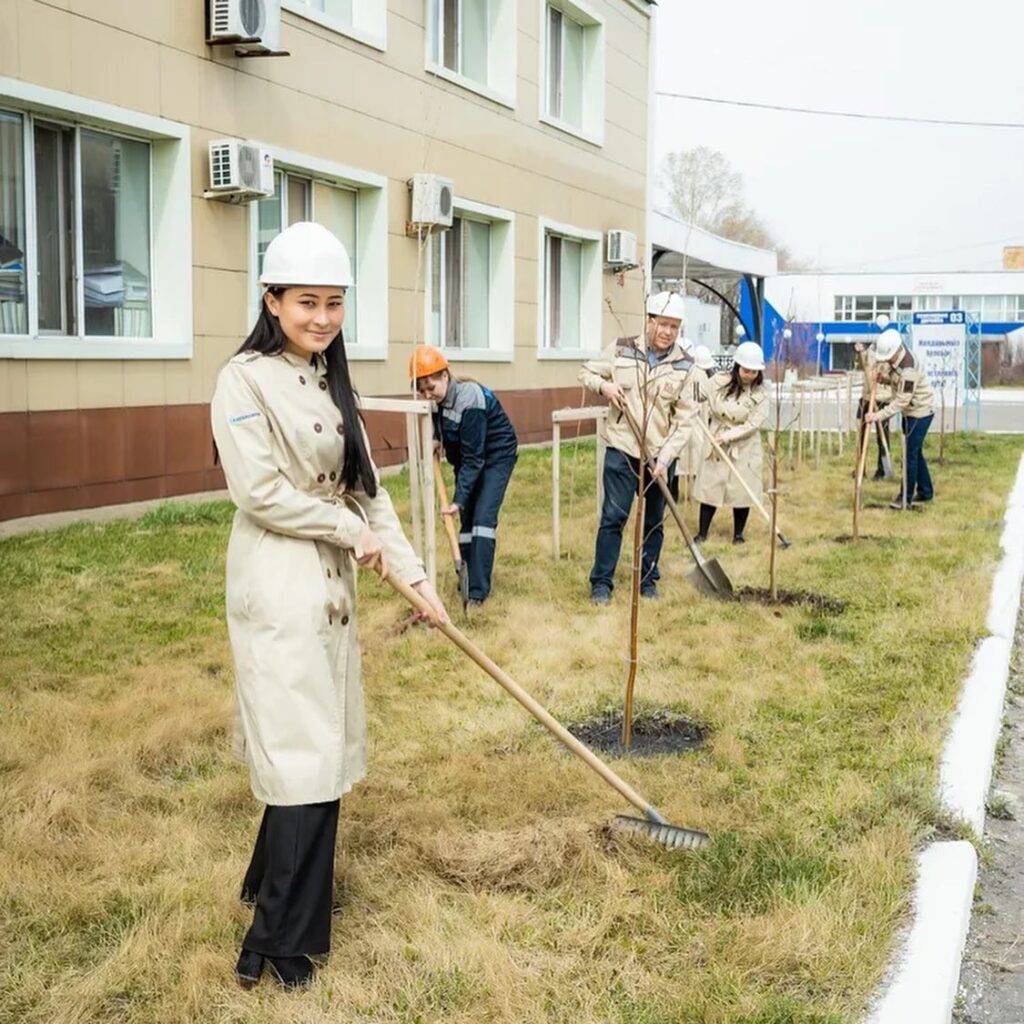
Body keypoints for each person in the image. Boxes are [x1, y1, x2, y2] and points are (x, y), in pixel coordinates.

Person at [211, 222, 447, 990]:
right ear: (271, 300)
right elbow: (261, 492)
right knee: (301, 750)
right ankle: (280, 941)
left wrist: (417, 581)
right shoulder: (242, 379)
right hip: (278, 579)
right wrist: (347, 530)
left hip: (331, 593)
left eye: (334, 304)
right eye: (306, 302)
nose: (321, 318)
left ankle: (266, 890)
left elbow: (368, 495)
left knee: (311, 749)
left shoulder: (333, 381)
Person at [579, 291, 700, 604]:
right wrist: (603, 386)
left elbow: (684, 420)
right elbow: (587, 371)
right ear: (650, 322)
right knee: (613, 516)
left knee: (653, 522)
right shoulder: (621, 349)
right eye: (663, 324)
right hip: (622, 447)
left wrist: (666, 458)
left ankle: (648, 581)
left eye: (675, 327)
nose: (668, 332)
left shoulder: (685, 366)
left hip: (660, 455)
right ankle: (601, 583)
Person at [411, 346, 519, 606]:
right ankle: (467, 574)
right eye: (421, 390)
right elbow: (444, 426)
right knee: (468, 519)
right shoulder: (437, 400)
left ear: (445, 376)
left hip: (496, 455)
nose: (427, 394)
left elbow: (474, 459)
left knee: (482, 518)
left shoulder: (469, 399)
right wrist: (437, 439)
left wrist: (456, 501)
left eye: (431, 387)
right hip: (469, 456)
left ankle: (478, 593)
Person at [693, 342, 768, 544]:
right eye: (746, 370)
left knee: (742, 490)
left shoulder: (761, 393)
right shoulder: (719, 380)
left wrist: (728, 436)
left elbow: (753, 423)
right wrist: (692, 377)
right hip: (715, 439)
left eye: (754, 372)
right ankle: (702, 533)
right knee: (711, 486)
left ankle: (738, 535)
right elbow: (697, 394)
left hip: (744, 445)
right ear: (737, 366)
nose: (749, 374)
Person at [864, 328, 935, 508]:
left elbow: (901, 402)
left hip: (920, 413)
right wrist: (882, 379)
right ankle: (926, 492)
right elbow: (896, 382)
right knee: (915, 452)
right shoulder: (897, 360)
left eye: (888, 356)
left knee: (909, 455)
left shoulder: (909, 368)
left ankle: (905, 498)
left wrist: (876, 416)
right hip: (910, 412)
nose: (886, 360)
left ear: (896, 351)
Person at [853, 339, 893, 480]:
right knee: (861, 432)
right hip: (866, 396)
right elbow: (861, 364)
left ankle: (882, 470)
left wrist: (882, 378)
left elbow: (892, 377)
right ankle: (860, 467)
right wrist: (859, 352)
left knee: (882, 436)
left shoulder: (890, 353)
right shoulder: (871, 350)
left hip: (882, 398)